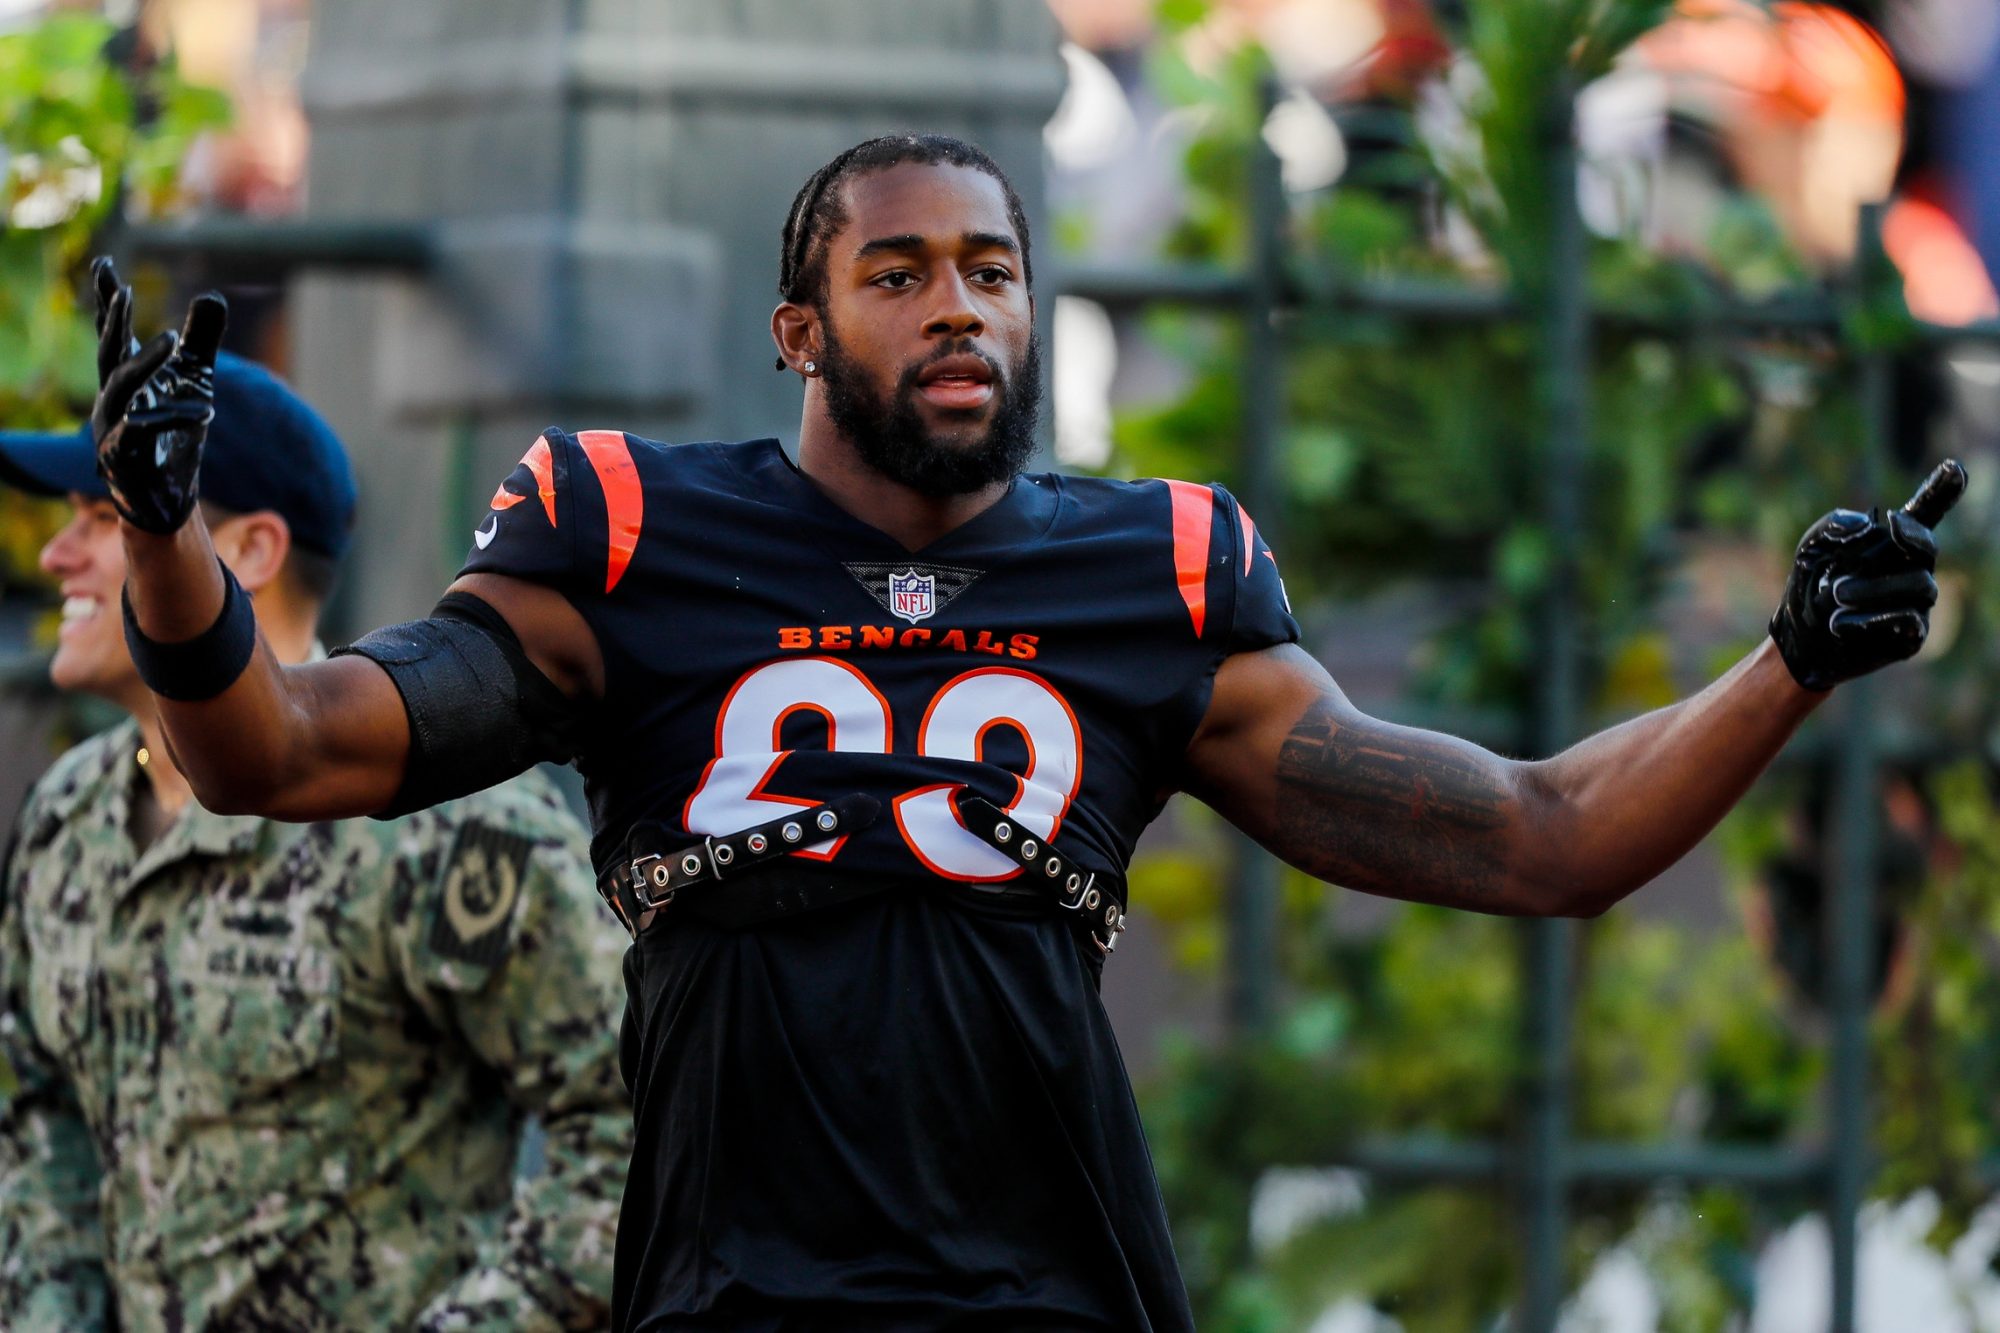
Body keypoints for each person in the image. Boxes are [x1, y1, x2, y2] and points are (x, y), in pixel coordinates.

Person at [88, 134, 1962, 1331]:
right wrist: (171, 539)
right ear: (798, 332)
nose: (957, 304)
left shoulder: (1152, 568)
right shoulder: (636, 532)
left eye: (990, 267)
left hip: (1051, 1292)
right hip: (738, 1287)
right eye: (896, 274)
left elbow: (1537, 836)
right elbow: (280, 749)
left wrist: (1786, 660)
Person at [0, 352, 632, 1331]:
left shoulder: (445, 826)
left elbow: (631, 1123)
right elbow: (41, 1123)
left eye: (103, 515)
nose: (56, 556)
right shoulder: (68, 821)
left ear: (246, 552)